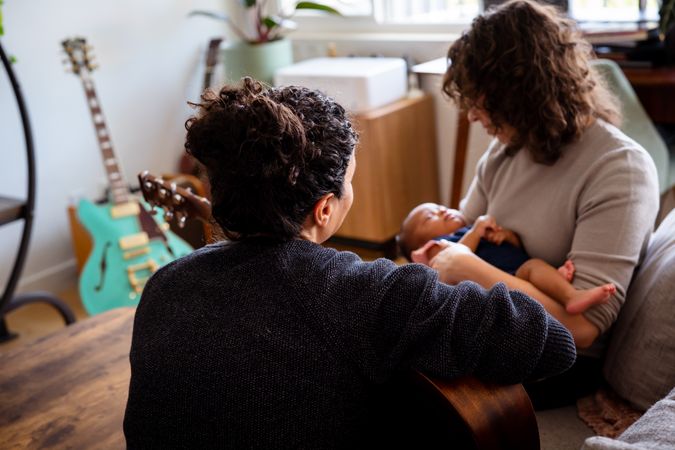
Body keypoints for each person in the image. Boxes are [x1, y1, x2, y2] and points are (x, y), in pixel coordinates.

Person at [123, 78, 576, 448]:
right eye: (350, 181)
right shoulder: (365, 293)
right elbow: (553, 343)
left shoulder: (165, 284)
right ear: (324, 209)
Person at [434, 0, 660, 408]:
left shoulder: (618, 169)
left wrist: (468, 267)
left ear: (522, 90)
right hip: (478, 322)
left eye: (481, 97)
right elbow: (459, 236)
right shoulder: (507, 152)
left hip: (551, 359)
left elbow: (581, 327)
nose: (472, 116)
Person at [397, 202, 615, 315]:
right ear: (418, 245)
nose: (443, 211)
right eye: (429, 217)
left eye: (440, 206)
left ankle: (570, 295)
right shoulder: (437, 245)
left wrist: (508, 237)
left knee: (534, 266)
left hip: (517, 272)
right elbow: (452, 260)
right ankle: (561, 289)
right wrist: (475, 233)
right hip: (492, 289)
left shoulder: (474, 229)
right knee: (533, 270)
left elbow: (516, 250)